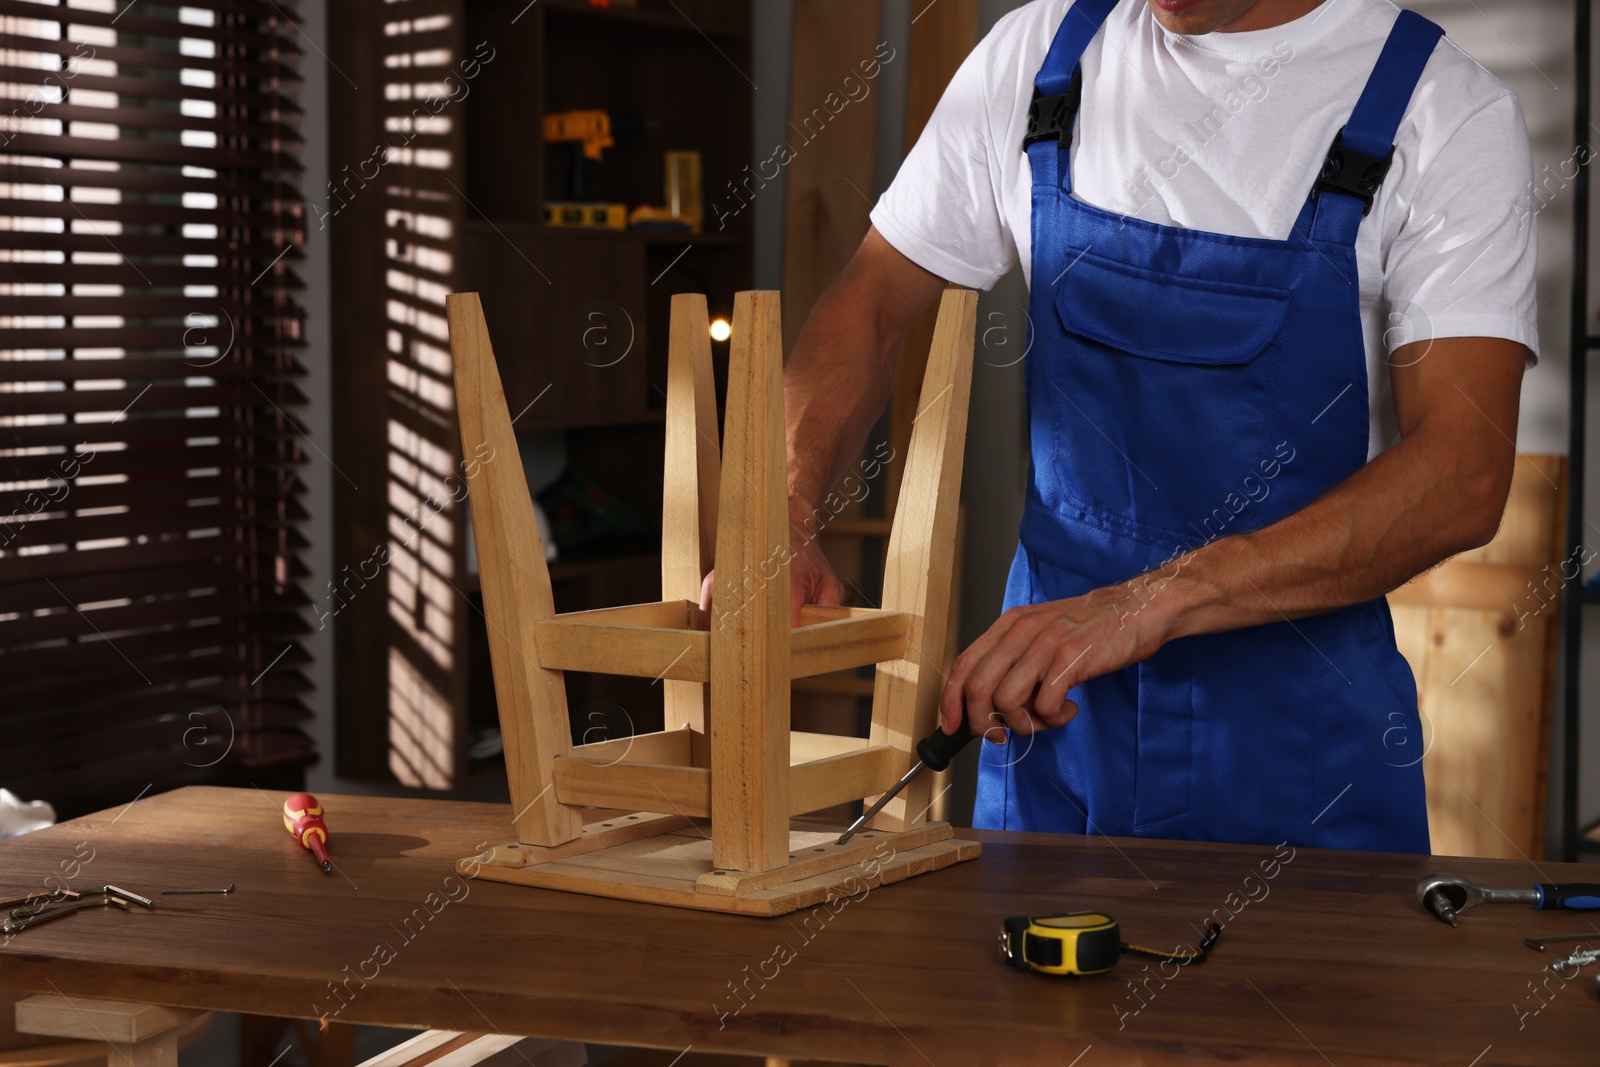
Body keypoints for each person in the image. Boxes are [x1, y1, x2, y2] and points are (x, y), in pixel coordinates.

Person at [774, 0, 1537, 852]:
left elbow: (1463, 471)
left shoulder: (1442, 109)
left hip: (1296, 747)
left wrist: (1150, 603)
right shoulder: (1038, 56)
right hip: (1048, 721)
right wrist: (785, 510)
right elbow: (873, 301)